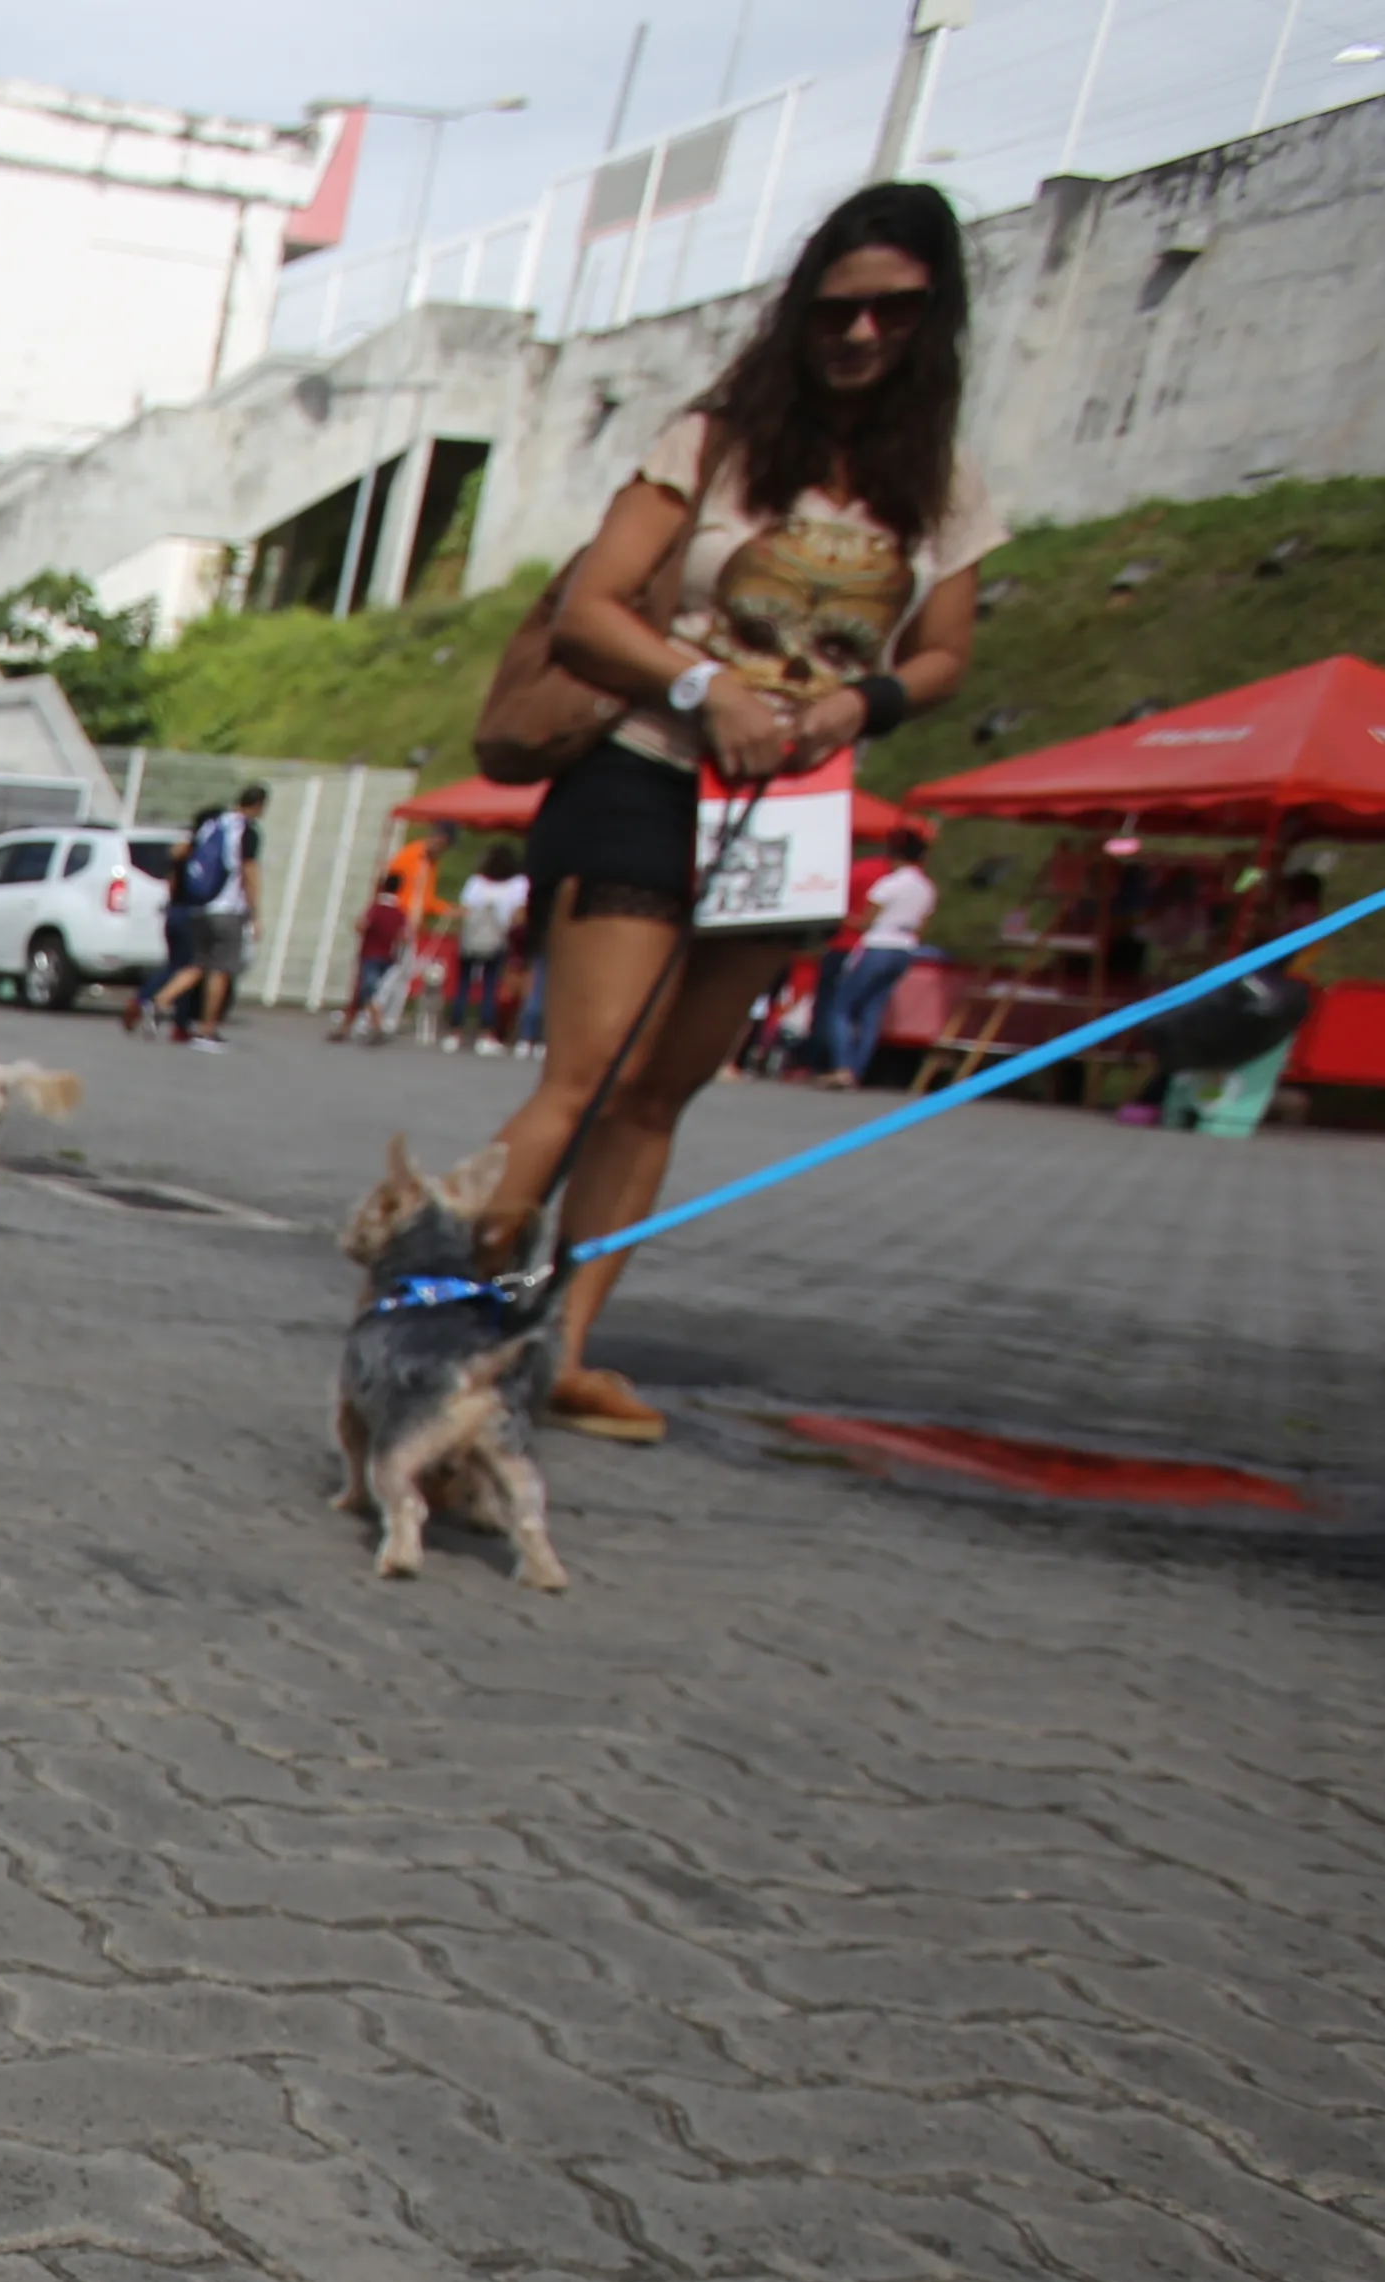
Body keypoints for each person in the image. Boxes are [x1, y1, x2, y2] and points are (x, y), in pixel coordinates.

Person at [471, 182, 998, 1444]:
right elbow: (596, 606)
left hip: (795, 806)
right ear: (802, 305)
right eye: (840, 308)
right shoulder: (713, 441)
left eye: (894, 312)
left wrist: (861, 703)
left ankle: (567, 1348)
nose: (862, 335)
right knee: (587, 1073)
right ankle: (452, 1310)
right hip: (649, 771)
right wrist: (706, 686)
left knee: (664, 1093)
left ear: (936, 321)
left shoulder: (942, 486)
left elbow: (945, 658)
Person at [129, 783, 262, 1043]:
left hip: (196, 908)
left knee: (195, 965)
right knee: (220, 970)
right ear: (259, 806)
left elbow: (176, 861)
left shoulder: (210, 825)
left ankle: (156, 1003)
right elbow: (249, 872)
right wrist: (255, 913)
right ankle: (207, 1028)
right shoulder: (246, 831)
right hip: (226, 909)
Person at [810, 842, 939, 1085]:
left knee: (842, 1007)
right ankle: (857, 1069)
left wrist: (840, 918)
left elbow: (865, 922)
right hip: (905, 947)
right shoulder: (926, 888)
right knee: (873, 1009)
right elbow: (922, 924)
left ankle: (842, 1065)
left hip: (879, 944)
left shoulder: (889, 884)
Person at [445, 843, 531, 1051]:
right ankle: (486, 1034)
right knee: (490, 986)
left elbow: (464, 909)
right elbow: (519, 915)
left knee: (463, 985)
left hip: (472, 939)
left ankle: (455, 1032)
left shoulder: (476, 882)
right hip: (497, 939)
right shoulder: (518, 884)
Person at [332, 870, 414, 1043]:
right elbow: (405, 936)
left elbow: (362, 925)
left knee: (367, 990)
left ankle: (377, 1025)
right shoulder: (399, 912)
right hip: (388, 956)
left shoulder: (376, 908)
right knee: (363, 992)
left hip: (370, 954)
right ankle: (345, 1028)